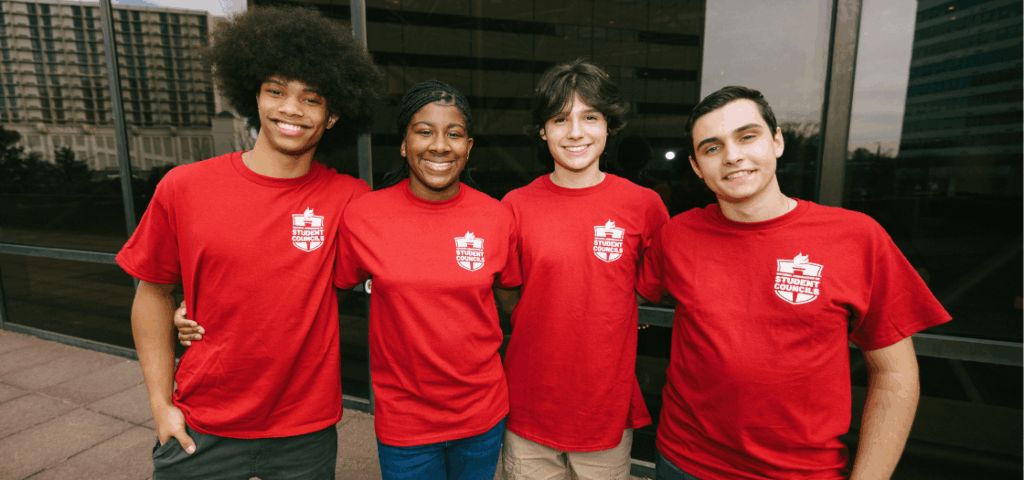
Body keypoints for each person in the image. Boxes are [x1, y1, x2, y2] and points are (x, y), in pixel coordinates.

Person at [177, 80, 521, 480]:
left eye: (454, 134)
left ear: (469, 146)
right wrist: (194, 310)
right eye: (424, 132)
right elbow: (309, 286)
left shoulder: (497, 217)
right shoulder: (365, 214)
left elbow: (512, 304)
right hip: (405, 418)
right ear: (404, 145)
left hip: (482, 412)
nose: (440, 145)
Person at [115, 6, 382, 479]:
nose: (290, 110)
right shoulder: (184, 187)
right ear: (253, 96)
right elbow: (152, 291)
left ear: (334, 114)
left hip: (305, 432)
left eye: (311, 98)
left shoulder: (351, 200)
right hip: (201, 424)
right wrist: (160, 406)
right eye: (276, 91)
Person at [635, 86, 951, 480]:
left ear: (777, 141)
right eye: (711, 148)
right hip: (683, 463)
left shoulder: (857, 237)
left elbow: (895, 375)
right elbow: (612, 291)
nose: (732, 155)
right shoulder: (677, 235)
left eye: (747, 136)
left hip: (801, 472)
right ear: (697, 167)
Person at [498, 59, 669, 480]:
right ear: (543, 130)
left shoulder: (644, 205)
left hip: (604, 409)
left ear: (609, 125)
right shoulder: (515, 206)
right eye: (560, 119)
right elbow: (508, 293)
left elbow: (650, 287)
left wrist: (601, 310)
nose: (576, 132)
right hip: (528, 403)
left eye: (589, 117)